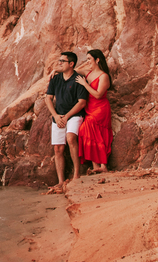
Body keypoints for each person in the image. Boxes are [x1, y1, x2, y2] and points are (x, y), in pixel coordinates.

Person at [44, 51, 88, 194]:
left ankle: (76, 174)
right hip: (58, 116)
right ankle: (61, 181)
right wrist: (56, 116)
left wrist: (67, 116)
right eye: (59, 61)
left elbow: (82, 103)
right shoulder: (55, 79)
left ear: (71, 64)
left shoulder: (79, 79)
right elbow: (48, 98)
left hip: (74, 115)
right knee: (58, 149)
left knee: (71, 138)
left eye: (63, 61)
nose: (59, 63)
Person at [76, 49, 113, 173]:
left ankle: (103, 166)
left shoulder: (104, 76)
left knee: (89, 127)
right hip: (90, 108)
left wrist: (84, 84)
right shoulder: (88, 73)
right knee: (88, 132)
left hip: (100, 108)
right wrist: (55, 71)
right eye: (86, 59)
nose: (87, 62)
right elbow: (73, 70)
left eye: (89, 59)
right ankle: (96, 166)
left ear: (97, 60)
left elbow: (98, 95)